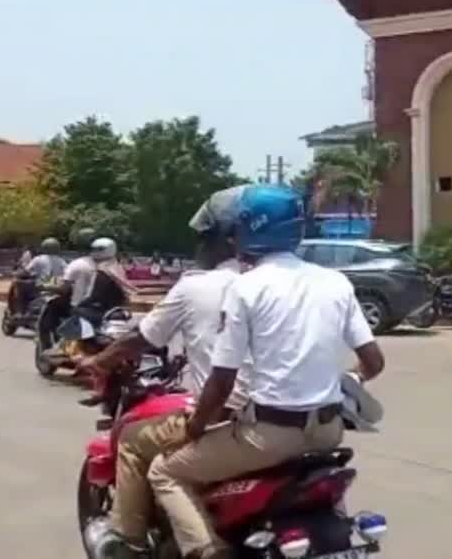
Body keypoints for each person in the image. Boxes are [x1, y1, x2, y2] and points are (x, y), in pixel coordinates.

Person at [147, 184, 386, 559]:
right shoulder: (335, 282)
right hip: (327, 434)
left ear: (250, 229)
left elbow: (222, 381)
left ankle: (208, 551)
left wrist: (192, 430)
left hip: (270, 435)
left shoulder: (246, 288)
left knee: (165, 471)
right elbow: (374, 363)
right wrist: (348, 381)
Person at [78, 188, 250, 559]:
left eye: (202, 238)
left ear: (217, 242)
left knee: (133, 438)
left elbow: (141, 336)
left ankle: (129, 539)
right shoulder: (275, 284)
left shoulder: (195, 285)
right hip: (290, 414)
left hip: (230, 414)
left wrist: (100, 361)